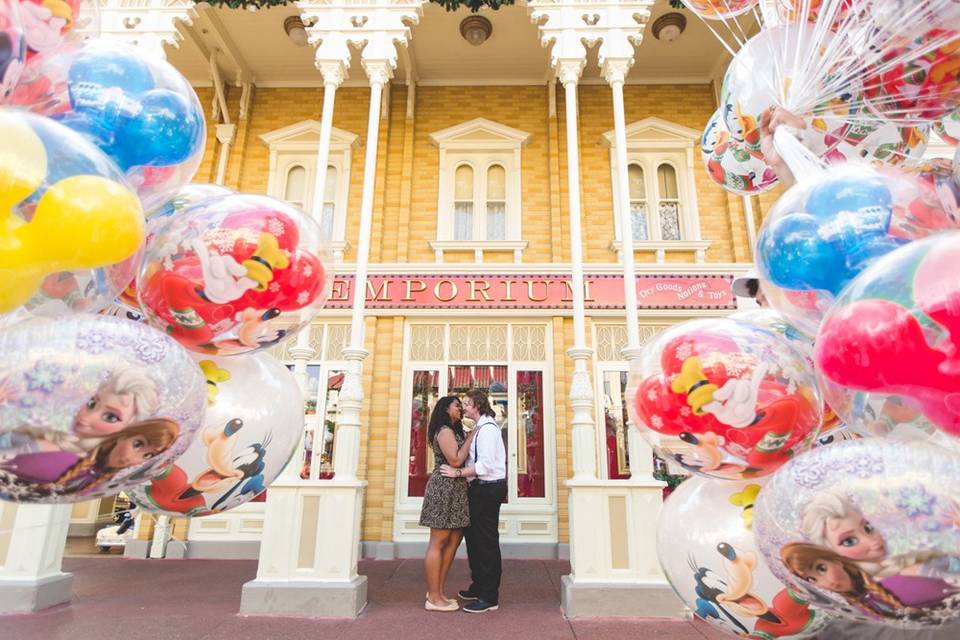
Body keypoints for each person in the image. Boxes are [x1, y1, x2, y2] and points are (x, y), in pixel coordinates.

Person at [440, 388, 507, 613]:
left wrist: (456, 473)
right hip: (479, 489)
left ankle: (489, 597)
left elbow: (484, 466)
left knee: (485, 542)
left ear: (477, 405)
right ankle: (478, 586)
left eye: (467, 403)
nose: (463, 407)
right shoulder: (479, 429)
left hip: (488, 489)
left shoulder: (488, 430)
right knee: (475, 539)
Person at [0, 418, 179, 496]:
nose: (131, 458)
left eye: (148, 455)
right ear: (124, 435)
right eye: (137, 444)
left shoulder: (100, 480)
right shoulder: (64, 456)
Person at [418, 396, 476, 612]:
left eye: (461, 405)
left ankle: (438, 591)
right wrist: (473, 436)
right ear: (445, 409)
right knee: (439, 540)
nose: (460, 409)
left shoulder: (454, 430)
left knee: (453, 539)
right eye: (456, 406)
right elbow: (455, 460)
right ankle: (433, 597)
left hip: (458, 488)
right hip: (443, 487)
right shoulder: (444, 430)